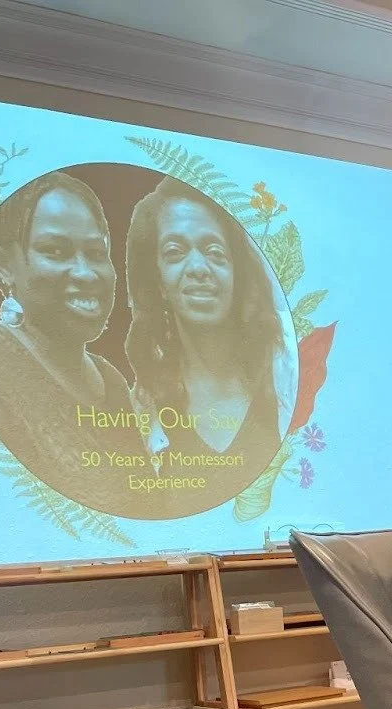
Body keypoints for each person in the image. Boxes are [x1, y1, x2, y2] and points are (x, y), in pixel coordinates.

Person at [0, 171, 144, 515]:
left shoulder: (112, 382)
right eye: (55, 251)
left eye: (96, 252)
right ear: (3, 264)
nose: (86, 273)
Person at [125, 177, 287, 514]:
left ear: (237, 271)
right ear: (158, 280)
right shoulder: (141, 407)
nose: (198, 268)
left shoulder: (285, 378)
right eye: (175, 252)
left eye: (214, 252)